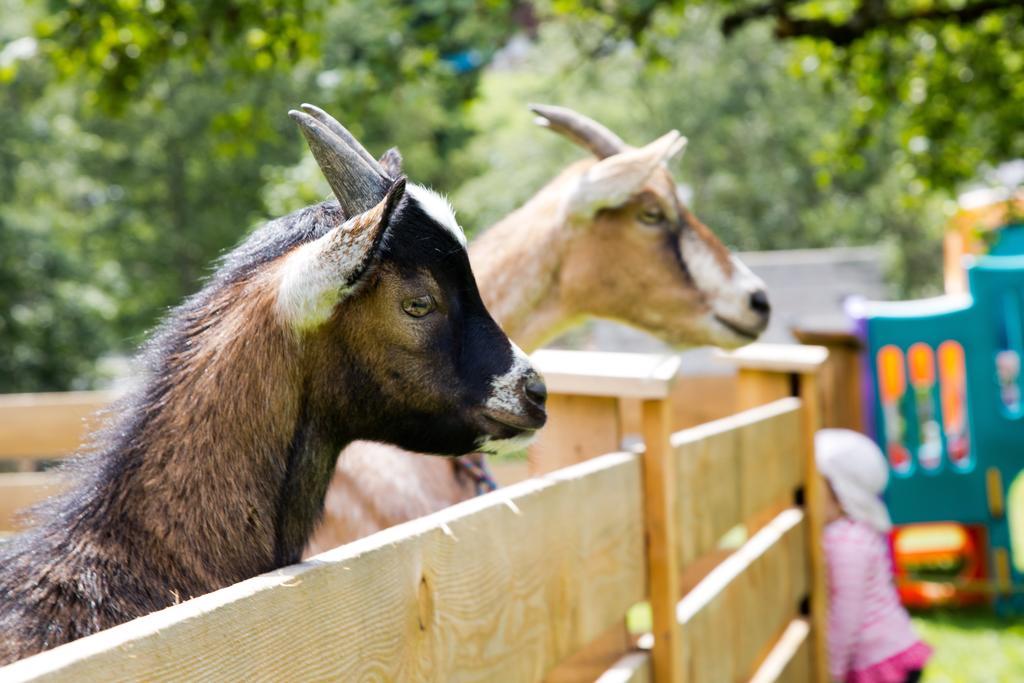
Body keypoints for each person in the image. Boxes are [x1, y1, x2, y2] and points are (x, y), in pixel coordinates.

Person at [816, 429, 933, 683]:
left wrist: (831, 671)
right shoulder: (852, 532)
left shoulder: (846, 542)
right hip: (887, 650)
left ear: (839, 490)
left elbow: (846, 614)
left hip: (878, 660)